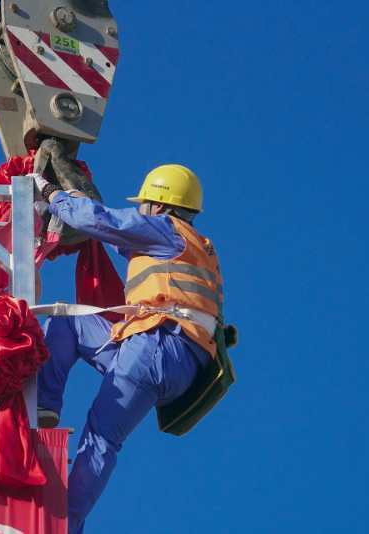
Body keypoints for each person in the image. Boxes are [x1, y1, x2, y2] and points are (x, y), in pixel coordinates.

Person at [32, 164, 225, 534]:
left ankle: (63, 527)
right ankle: (44, 408)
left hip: (158, 345)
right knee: (65, 321)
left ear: (158, 205)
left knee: (102, 436)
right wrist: (74, 209)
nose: (140, 211)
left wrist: (52, 194)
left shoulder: (167, 231)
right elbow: (111, 233)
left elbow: (105, 222)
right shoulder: (194, 246)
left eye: (143, 205)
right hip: (172, 357)